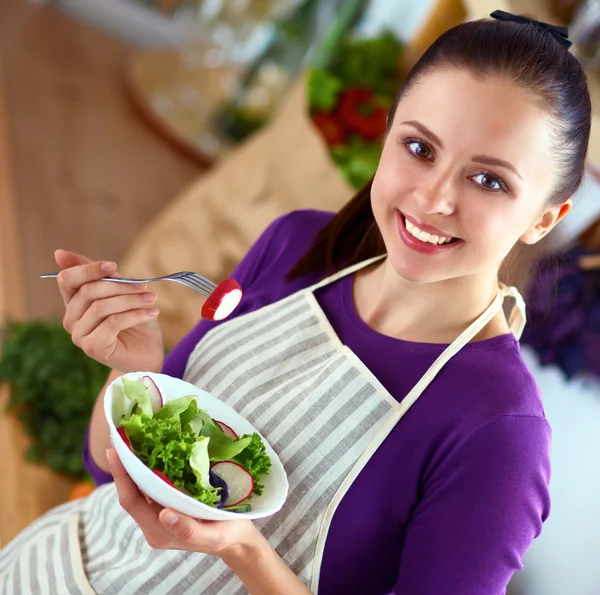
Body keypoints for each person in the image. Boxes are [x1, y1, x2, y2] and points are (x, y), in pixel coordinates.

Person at [0, 10, 591, 595]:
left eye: (488, 180)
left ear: (544, 218)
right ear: (387, 134)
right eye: (419, 147)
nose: (434, 198)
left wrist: (240, 548)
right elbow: (105, 464)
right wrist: (134, 375)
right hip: (43, 567)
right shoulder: (296, 245)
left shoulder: (498, 434)